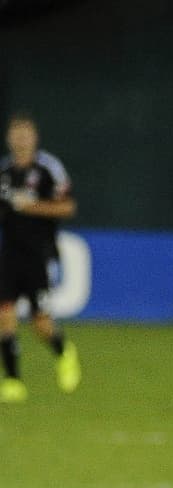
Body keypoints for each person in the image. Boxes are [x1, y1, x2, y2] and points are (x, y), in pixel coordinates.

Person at [0, 114, 80, 403]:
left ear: (34, 137)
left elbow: (68, 207)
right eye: (16, 133)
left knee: (40, 323)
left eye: (26, 133)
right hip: (9, 255)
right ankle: (12, 380)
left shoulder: (49, 169)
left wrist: (31, 206)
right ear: (9, 138)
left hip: (38, 255)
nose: (21, 139)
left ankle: (63, 352)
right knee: (5, 316)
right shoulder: (5, 172)